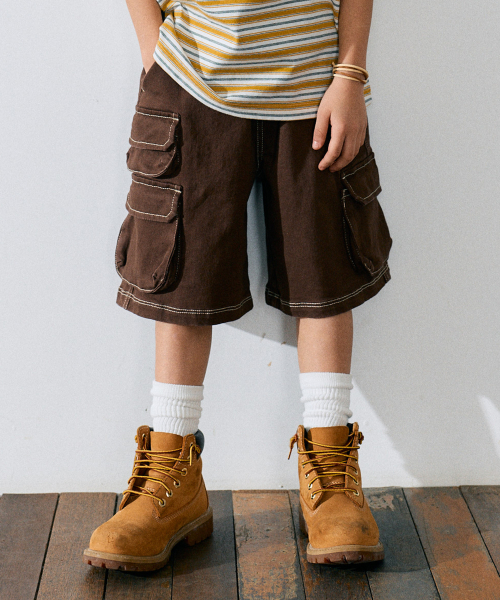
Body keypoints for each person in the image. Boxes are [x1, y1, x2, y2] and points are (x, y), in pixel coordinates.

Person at [83, 0, 392, 571]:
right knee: (181, 279)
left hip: (312, 81)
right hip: (189, 74)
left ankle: (332, 478)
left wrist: (350, 73)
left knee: (325, 270)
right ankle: (171, 476)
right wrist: (154, 50)